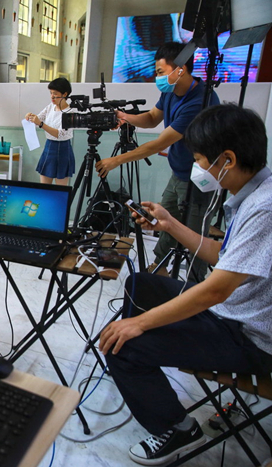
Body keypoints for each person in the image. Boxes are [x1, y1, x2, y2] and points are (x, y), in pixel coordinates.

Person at [99, 104, 272, 466]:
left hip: (250, 337)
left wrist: (138, 325)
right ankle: (143, 374)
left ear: (227, 158)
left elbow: (215, 289)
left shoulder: (265, 208)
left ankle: (177, 427)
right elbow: (220, 256)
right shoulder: (253, 193)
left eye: (199, 159)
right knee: (139, 285)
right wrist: (170, 224)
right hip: (233, 313)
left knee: (123, 346)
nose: (198, 168)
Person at [95, 41, 220, 282]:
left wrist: (116, 160)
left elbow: (158, 143)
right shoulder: (171, 91)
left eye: (161, 72)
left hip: (201, 178)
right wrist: (125, 117)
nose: (157, 77)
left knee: (194, 236)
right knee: (166, 219)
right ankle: (160, 265)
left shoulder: (199, 102)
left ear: (180, 69)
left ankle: (195, 286)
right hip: (179, 172)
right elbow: (152, 118)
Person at [25, 77, 76, 186]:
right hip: (49, 147)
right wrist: (30, 116)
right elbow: (39, 118)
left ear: (65, 94)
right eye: (50, 93)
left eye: (55, 93)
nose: (52, 96)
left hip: (63, 149)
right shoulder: (50, 107)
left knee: (60, 190)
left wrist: (41, 124)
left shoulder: (71, 112)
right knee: (44, 188)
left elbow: (60, 134)